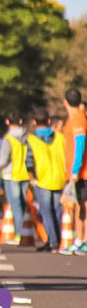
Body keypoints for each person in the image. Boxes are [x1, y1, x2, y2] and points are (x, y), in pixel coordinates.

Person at [27, 110, 66, 253]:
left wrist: (32, 178)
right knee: (57, 211)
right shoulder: (60, 137)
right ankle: (60, 239)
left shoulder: (32, 140)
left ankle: (53, 242)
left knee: (46, 211)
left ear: (34, 122)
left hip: (42, 179)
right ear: (49, 121)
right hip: (59, 177)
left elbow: (29, 161)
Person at [60, 89, 87, 255]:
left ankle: (82, 241)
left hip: (82, 173)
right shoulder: (74, 118)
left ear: (65, 102)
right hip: (77, 172)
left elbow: (80, 144)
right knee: (79, 206)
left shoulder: (78, 119)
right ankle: (79, 240)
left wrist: (75, 170)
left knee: (83, 206)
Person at [0, 112, 30, 247]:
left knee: (15, 205)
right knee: (23, 204)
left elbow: (2, 161)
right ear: (21, 121)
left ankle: (19, 233)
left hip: (12, 175)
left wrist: (1, 166)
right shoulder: (28, 137)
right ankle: (26, 231)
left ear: (7, 122)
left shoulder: (8, 139)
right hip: (26, 173)